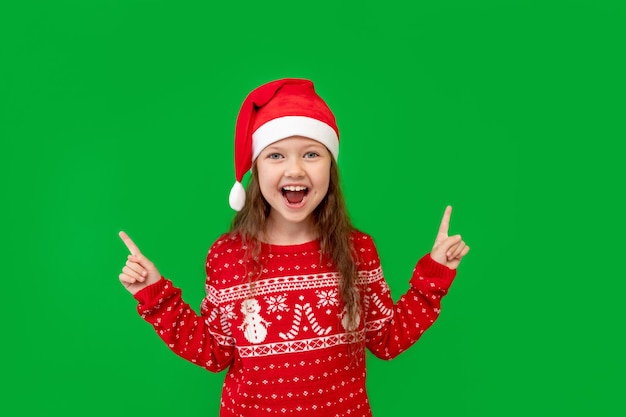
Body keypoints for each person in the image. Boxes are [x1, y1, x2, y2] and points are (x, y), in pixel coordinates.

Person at [118, 78, 470, 417]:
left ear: (331, 167)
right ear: (255, 167)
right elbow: (213, 352)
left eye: (312, 154)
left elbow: (387, 339)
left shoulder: (357, 250)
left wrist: (434, 275)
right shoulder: (227, 257)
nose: (296, 170)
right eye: (276, 156)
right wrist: (155, 294)